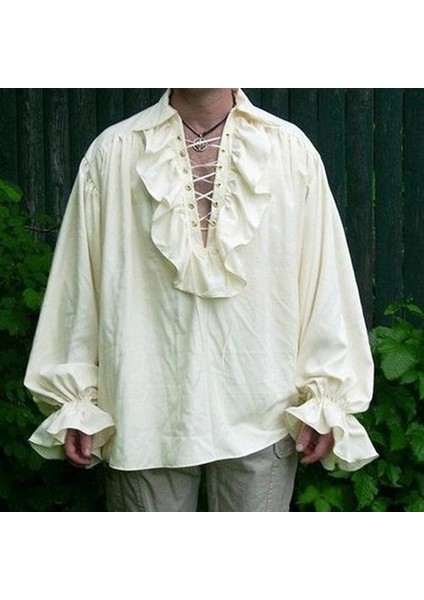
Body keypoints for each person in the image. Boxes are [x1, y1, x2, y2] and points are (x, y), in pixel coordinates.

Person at [24, 88, 378, 511]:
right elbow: (79, 281)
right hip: (144, 409)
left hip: (262, 407)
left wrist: (325, 396)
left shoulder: (289, 151)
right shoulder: (114, 152)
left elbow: (323, 277)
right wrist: (76, 397)